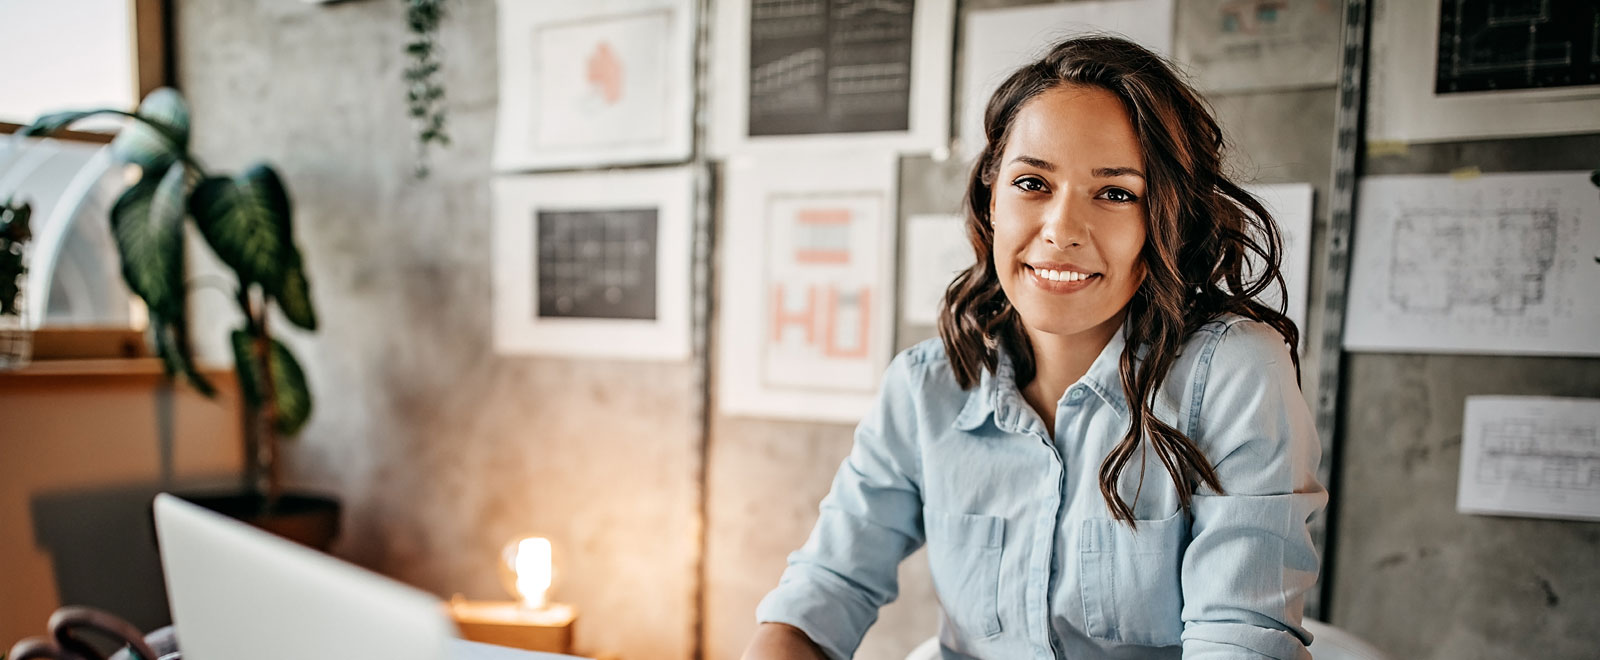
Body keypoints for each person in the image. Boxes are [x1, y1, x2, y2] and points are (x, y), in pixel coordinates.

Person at [742, 35, 1327, 660]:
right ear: (992, 198)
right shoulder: (926, 385)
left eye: (1116, 193)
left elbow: (1239, 640)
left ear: (1167, 218)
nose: (1062, 231)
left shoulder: (1235, 374)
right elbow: (826, 586)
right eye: (1032, 183)